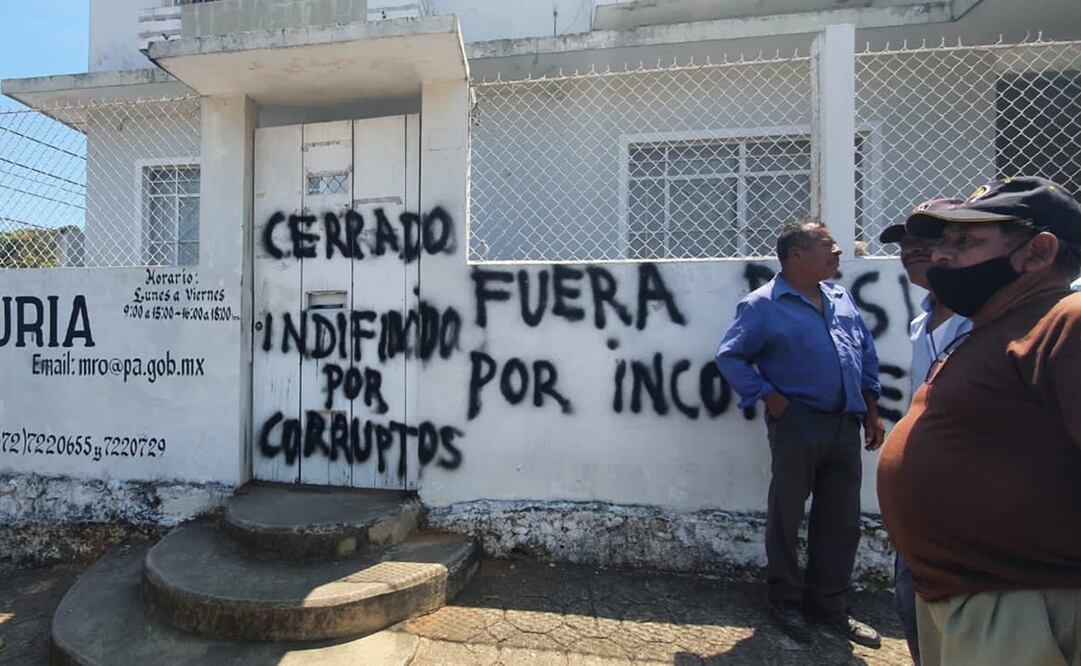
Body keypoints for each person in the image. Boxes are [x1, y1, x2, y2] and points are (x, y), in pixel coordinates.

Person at [878, 177, 1081, 666]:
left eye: (965, 241)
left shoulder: (1065, 322)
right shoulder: (995, 325)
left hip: (1023, 609)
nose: (942, 256)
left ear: (1038, 252)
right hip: (967, 599)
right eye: (943, 241)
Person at [715, 219, 884, 648]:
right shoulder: (763, 304)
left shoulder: (839, 297)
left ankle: (829, 604)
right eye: (826, 244)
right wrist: (768, 397)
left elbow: (864, 353)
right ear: (796, 255)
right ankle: (785, 599)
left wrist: (871, 410)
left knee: (842, 518)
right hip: (798, 423)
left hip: (845, 422)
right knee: (788, 513)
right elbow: (730, 356)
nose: (838, 251)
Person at [878, 198, 972, 665]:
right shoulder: (920, 324)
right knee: (914, 615)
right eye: (905, 243)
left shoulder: (996, 324)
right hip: (918, 511)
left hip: (971, 516)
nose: (913, 250)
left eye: (927, 240)